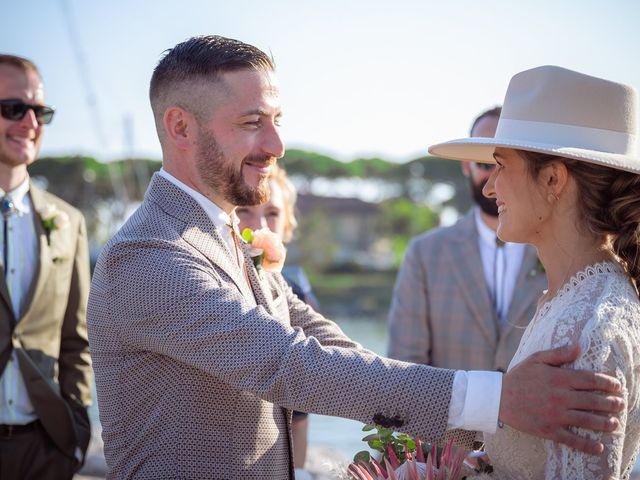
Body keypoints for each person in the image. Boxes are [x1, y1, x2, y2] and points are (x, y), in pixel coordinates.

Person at [87, 36, 623, 479]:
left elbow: (327, 344)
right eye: (252, 122)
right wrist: (499, 399)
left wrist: (487, 424)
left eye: (277, 118)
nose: (277, 144)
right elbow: (290, 365)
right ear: (180, 127)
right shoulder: (148, 256)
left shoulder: (223, 232)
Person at [430, 65, 640, 478]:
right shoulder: (570, 300)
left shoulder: (588, 330)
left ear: (552, 179)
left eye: (502, 166)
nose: (490, 188)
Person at [388, 107, 546, 372]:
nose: (495, 180)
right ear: (466, 166)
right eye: (485, 164)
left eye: (506, 165)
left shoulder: (559, 251)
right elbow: (404, 370)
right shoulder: (425, 255)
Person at [0, 54, 92, 479]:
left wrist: (75, 430)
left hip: (45, 451)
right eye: (13, 109)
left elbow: (77, 341)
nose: (30, 124)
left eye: (40, 111)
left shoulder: (68, 221)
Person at [236, 163, 317, 471]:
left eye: (272, 213)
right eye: (245, 210)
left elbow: (300, 415)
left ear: (288, 224)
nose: (259, 226)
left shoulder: (298, 296)